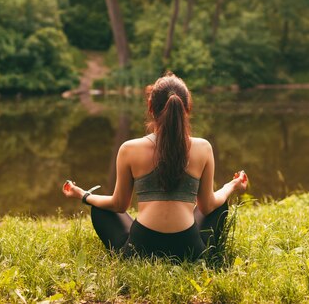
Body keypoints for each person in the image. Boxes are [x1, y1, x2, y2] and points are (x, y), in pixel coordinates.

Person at [62, 72, 248, 261]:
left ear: (151, 107)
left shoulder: (129, 149)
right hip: (190, 249)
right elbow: (208, 206)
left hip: (141, 248)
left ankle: (127, 251)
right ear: (187, 109)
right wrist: (231, 186)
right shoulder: (203, 147)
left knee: (99, 207)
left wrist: (84, 195)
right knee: (219, 202)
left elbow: (118, 205)